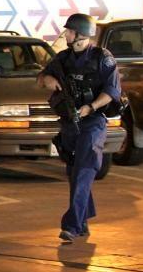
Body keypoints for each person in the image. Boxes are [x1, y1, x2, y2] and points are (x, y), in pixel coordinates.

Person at [38, 13, 121, 244]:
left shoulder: (102, 59)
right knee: (74, 172)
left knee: (84, 170)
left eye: (70, 31)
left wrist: (90, 107)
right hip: (69, 123)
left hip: (92, 122)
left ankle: (71, 226)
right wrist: (48, 80)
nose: (66, 34)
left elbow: (112, 92)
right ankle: (83, 221)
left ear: (81, 35)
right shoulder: (63, 58)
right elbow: (41, 77)